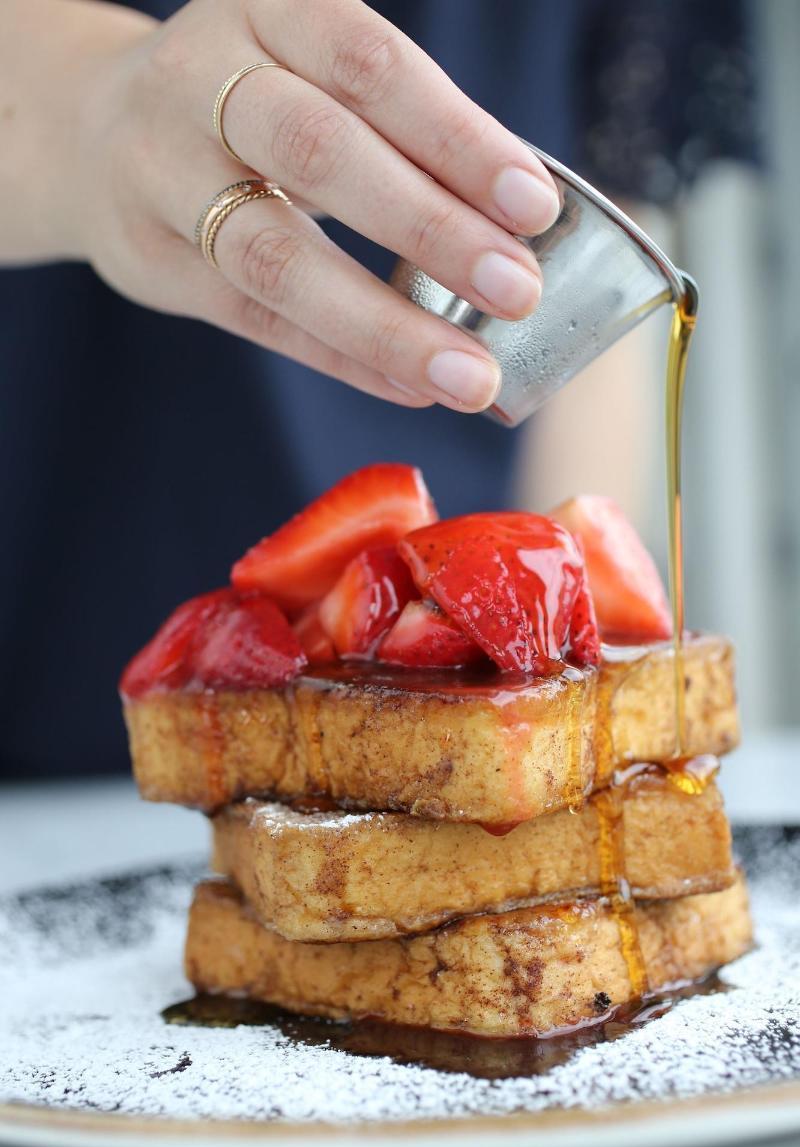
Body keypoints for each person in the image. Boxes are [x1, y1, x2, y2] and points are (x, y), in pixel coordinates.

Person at [0, 1, 757, 778]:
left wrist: (548, 668)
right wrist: (89, 107)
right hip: (41, 641)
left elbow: (598, 266)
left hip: (456, 580)